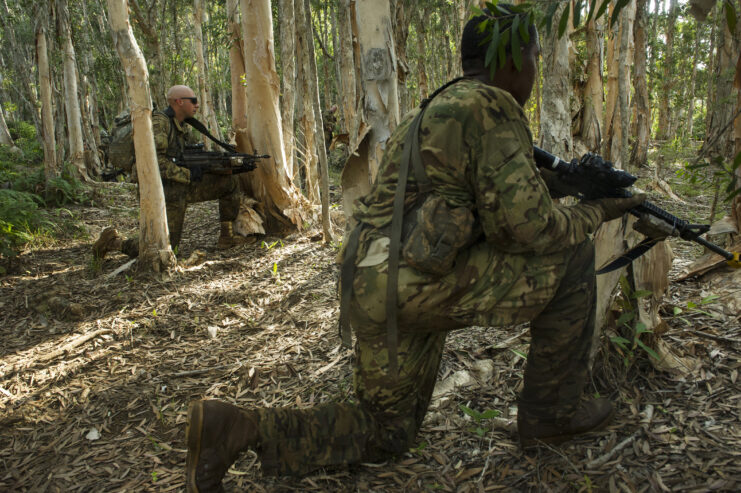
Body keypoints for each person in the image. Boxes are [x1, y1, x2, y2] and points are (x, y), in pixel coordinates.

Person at [184, 6, 645, 490]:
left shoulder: (431, 110)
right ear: (509, 60)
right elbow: (529, 231)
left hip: (372, 280)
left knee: (385, 429)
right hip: (416, 282)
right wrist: (599, 211)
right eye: (533, 55)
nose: (534, 68)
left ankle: (234, 428)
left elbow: (479, 197)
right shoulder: (492, 106)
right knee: (572, 256)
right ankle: (551, 412)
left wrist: (559, 183)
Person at [93, 85, 250, 259]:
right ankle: (114, 242)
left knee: (228, 183)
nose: (197, 105)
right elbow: (155, 163)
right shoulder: (161, 123)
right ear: (179, 102)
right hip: (161, 191)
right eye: (194, 101)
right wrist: (189, 175)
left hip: (179, 185)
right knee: (163, 247)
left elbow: (184, 156)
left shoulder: (181, 125)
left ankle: (226, 237)